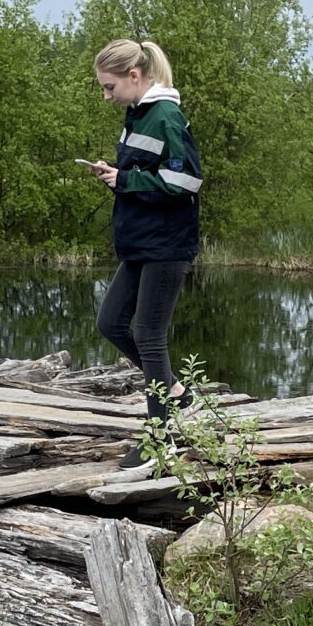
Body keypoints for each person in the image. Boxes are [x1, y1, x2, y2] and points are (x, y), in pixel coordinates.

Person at [86, 38, 203, 434]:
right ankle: (176, 391)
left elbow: (187, 180)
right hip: (141, 241)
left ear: (133, 76)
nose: (107, 96)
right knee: (110, 322)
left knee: (149, 336)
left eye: (109, 87)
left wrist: (125, 179)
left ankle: (160, 434)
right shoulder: (138, 115)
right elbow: (145, 176)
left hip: (166, 243)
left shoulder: (166, 116)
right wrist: (115, 176)